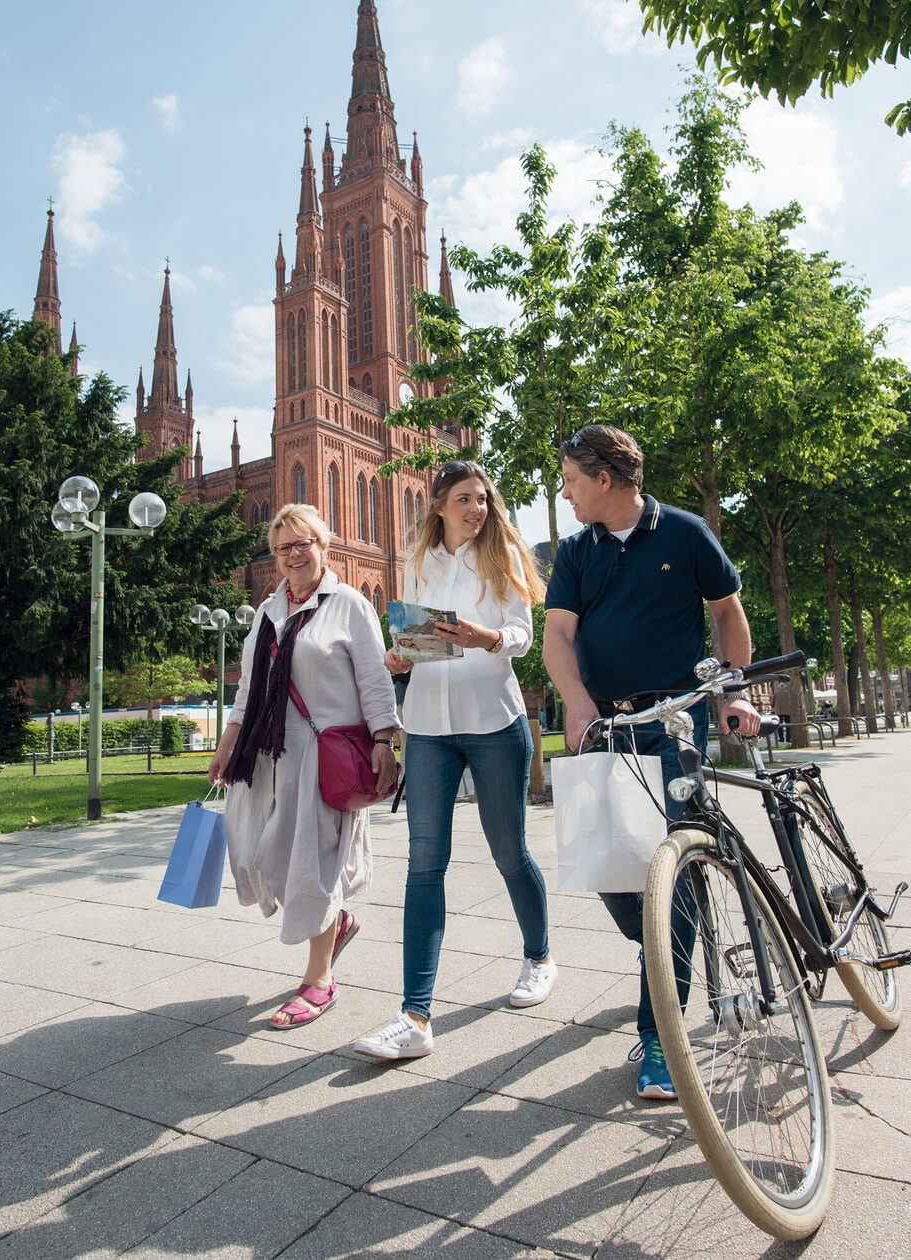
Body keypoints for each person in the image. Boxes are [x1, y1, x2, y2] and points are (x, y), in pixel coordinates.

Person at [543, 425, 760, 1100]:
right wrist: (575, 703)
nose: (564, 493)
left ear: (603, 479)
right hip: (605, 724)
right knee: (610, 869)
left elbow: (726, 612)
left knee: (671, 871)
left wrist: (733, 687)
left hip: (675, 721)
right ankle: (664, 954)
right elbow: (556, 634)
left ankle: (659, 1037)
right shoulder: (575, 551)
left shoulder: (687, 533)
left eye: (571, 481)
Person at [354, 460, 555, 1060]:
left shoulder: (504, 559)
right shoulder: (417, 563)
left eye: (484, 499)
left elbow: (521, 634)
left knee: (508, 852)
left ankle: (539, 956)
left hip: (495, 722)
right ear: (439, 503)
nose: (478, 509)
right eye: (465, 499)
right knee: (424, 866)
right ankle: (415, 1017)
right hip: (430, 730)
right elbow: (421, 644)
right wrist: (400, 658)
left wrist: (487, 638)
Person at [208, 503, 399, 1029]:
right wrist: (227, 743)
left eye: (303, 542)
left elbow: (374, 680)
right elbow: (249, 686)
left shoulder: (349, 605)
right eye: (283, 546)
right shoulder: (268, 611)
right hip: (266, 756)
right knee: (255, 851)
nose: (294, 553)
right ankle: (334, 924)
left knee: (312, 863)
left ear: (323, 544)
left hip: (324, 756)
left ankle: (319, 978)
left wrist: (384, 738)